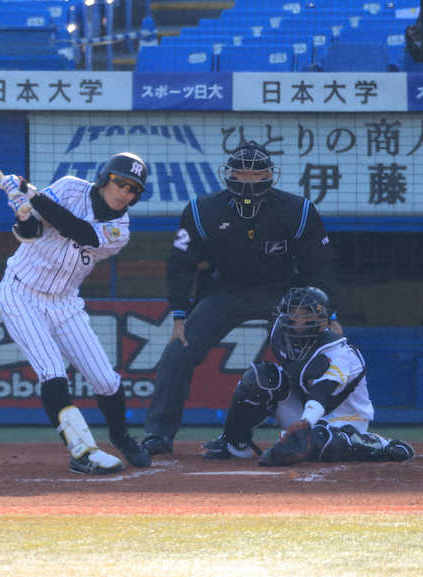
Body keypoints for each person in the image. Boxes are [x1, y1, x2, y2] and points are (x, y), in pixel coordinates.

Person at [141, 140, 339, 457]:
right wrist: (178, 315)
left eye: (255, 174)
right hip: (225, 292)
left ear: (269, 176)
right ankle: (158, 434)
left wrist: (330, 315)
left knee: (314, 356)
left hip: (282, 294)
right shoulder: (202, 210)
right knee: (177, 353)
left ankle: (323, 429)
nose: (248, 180)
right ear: (229, 175)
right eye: (241, 173)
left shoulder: (297, 210)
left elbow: (320, 265)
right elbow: (180, 264)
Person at [0, 153, 152, 475]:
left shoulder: (119, 231)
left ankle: (121, 437)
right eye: (120, 183)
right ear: (105, 178)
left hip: (65, 302)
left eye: (133, 189)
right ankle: (81, 451)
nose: (124, 192)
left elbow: (79, 231)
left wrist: (30, 193)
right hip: (21, 292)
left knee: (106, 380)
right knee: (52, 371)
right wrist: (23, 211)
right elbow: (31, 232)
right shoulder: (69, 188)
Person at [204, 286, 415, 465]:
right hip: (305, 413)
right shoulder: (283, 336)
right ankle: (234, 443)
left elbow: (321, 393)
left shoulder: (338, 353)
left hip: (343, 421)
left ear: (321, 319)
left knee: (322, 442)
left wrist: (304, 424)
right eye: (292, 312)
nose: (294, 318)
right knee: (261, 377)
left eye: (302, 313)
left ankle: (379, 445)